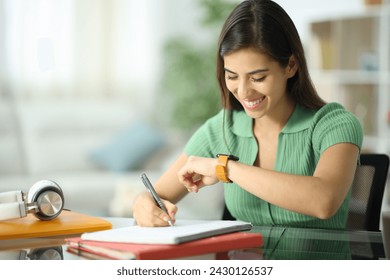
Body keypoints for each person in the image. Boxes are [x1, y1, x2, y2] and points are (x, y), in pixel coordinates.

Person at [132, 0, 363, 229]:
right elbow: (155, 196)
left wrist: (224, 169)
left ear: (291, 65)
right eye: (232, 76)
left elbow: (324, 201)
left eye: (258, 77)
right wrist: (143, 204)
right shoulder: (220, 128)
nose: (243, 92)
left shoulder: (335, 125)